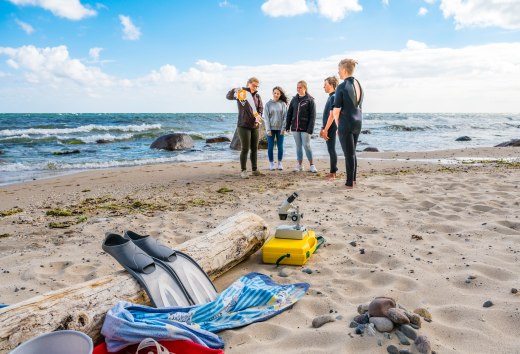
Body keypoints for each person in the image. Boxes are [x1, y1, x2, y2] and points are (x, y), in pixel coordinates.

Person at [332, 59, 364, 188]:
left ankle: (349, 183)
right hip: (358, 122)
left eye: (339, 69)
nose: (338, 72)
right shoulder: (359, 84)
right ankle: (354, 180)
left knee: (348, 154)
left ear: (344, 70)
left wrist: (338, 125)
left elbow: (336, 110)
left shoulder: (342, 86)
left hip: (347, 122)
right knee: (352, 153)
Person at [226, 77, 264, 179]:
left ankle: (255, 170)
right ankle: (243, 170)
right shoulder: (241, 93)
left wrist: (258, 116)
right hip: (243, 125)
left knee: (255, 148)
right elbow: (228, 96)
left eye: (257, 86)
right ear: (248, 84)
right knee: (245, 148)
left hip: (255, 126)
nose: (255, 88)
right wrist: (234, 90)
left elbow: (260, 109)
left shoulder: (258, 97)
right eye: (253, 85)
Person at [285, 80, 317, 173]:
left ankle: (312, 165)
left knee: (306, 145)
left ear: (305, 88)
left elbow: (313, 116)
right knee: (298, 146)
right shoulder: (294, 99)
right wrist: (287, 125)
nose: (298, 89)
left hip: (305, 128)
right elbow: (289, 113)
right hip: (295, 127)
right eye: (297, 87)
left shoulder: (310, 100)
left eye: (300, 87)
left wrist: (310, 129)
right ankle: (300, 165)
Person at [264, 86, 288, 170]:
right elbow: (266, 118)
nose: (276, 95)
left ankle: (279, 163)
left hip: (280, 129)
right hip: (270, 129)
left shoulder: (283, 104)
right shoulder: (268, 104)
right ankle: (271, 163)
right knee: (270, 147)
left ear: (280, 94)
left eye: (278, 93)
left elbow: (285, 117)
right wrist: (268, 130)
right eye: (275, 93)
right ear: (272, 93)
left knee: (280, 146)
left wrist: (283, 128)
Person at [319, 76, 339, 180]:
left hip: (331, 127)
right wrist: (322, 128)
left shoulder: (334, 96)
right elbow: (326, 115)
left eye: (325, 84)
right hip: (327, 127)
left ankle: (333, 173)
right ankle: (332, 171)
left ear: (331, 85)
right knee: (330, 149)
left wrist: (325, 130)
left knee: (331, 149)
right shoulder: (331, 96)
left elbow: (332, 116)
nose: (324, 87)